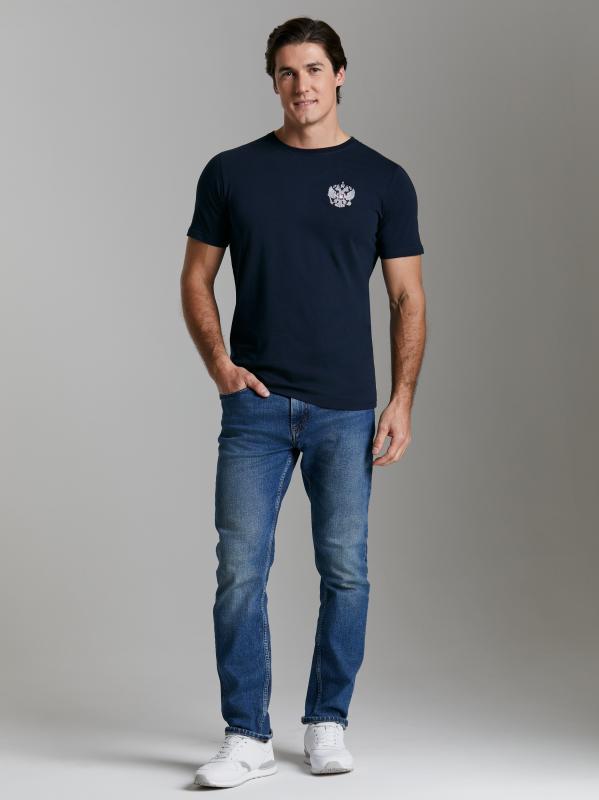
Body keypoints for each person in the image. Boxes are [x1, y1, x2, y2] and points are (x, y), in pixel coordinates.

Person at [180, 16, 426, 789]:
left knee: (346, 571)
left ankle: (327, 723)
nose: (302, 85)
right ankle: (247, 736)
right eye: (287, 72)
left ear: (340, 74)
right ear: (274, 82)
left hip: (346, 409)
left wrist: (402, 399)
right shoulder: (231, 172)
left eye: (315, 69)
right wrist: (220, 366)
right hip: (254, 409)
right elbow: (195, 278)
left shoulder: (384, 179)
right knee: (239, 571)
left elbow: (407, 298)